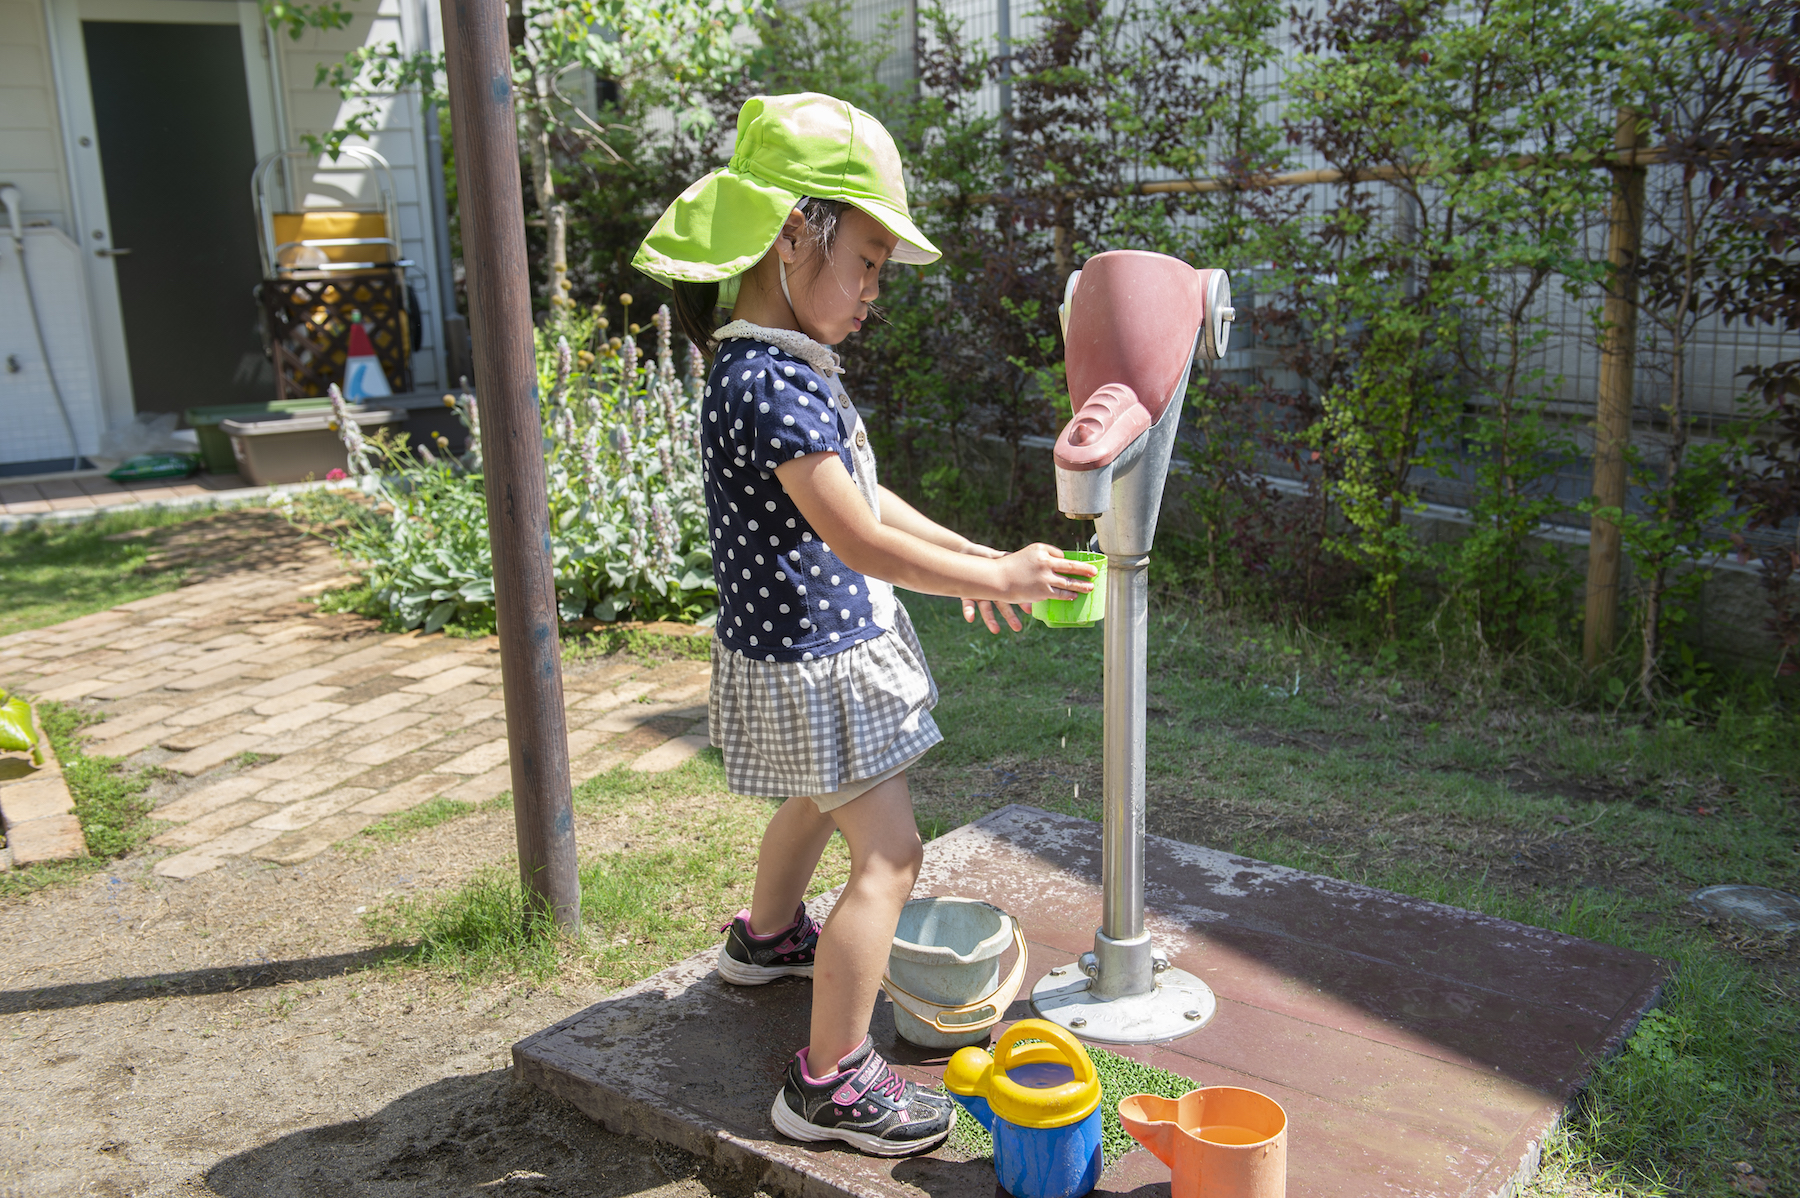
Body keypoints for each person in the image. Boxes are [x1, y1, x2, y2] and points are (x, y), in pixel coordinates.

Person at [632, 92, 1096, 1157]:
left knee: (814, 795)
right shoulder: (773, 385)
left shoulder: (770, 364)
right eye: (871, 264)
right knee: (889, 853)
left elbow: (872, 503)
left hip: (793, 656)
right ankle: (829, 1082)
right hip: (818, 662)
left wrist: (987, 562)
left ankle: (764, 940)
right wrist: (997, 576)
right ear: (796, 236)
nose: (876, 295)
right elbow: (865, 544)